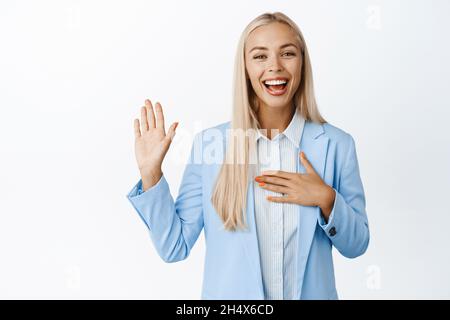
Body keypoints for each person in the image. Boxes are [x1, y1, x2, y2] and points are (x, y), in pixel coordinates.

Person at [126, 11, 369, 300]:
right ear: (245, 67)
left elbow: (356, 245)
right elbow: (174, 246)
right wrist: (151, 175)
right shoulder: (210, 146)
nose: (275, 67)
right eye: (260, 56)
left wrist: (327, 199)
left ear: (302, 62)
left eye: (287, 53)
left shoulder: (336, 145)